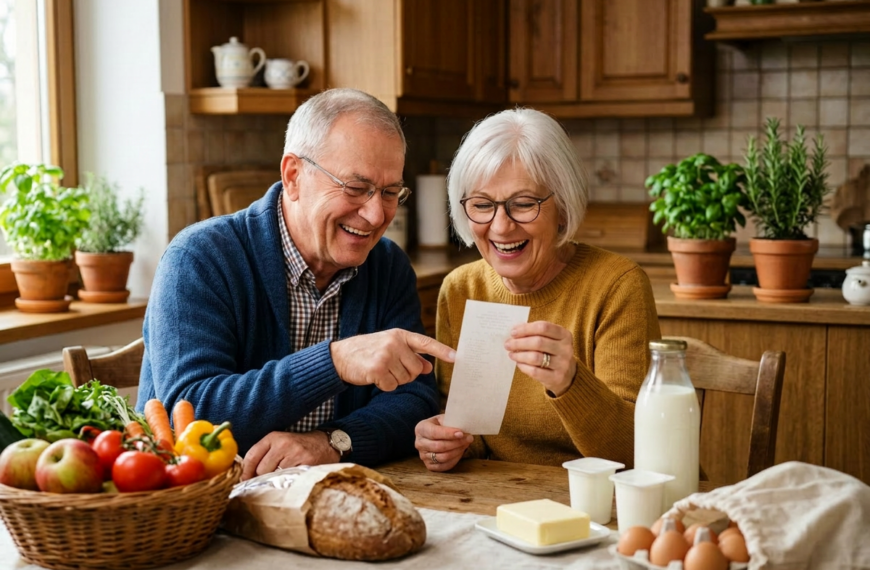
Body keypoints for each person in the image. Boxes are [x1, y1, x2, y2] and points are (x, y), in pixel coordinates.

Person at [137, 88, 455, 480]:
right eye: (356, 188)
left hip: (330, 495)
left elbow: (415, 399)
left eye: (390, 193)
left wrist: (332, 441)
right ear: (293, 176)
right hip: (202, 505)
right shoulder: (199, 257)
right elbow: (190, 413)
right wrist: (335, 362)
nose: (375, 215)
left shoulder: (387, 266)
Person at [414, 108, 660, 472]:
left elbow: (637, 453)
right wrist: (443, 440)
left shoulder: (617, 286)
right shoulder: (461, 289)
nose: (501, 226)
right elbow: (472, 436)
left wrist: (571, 382)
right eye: (482, 205)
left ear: (562, 207)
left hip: (599, 506)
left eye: (524, 204)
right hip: (498, 505)